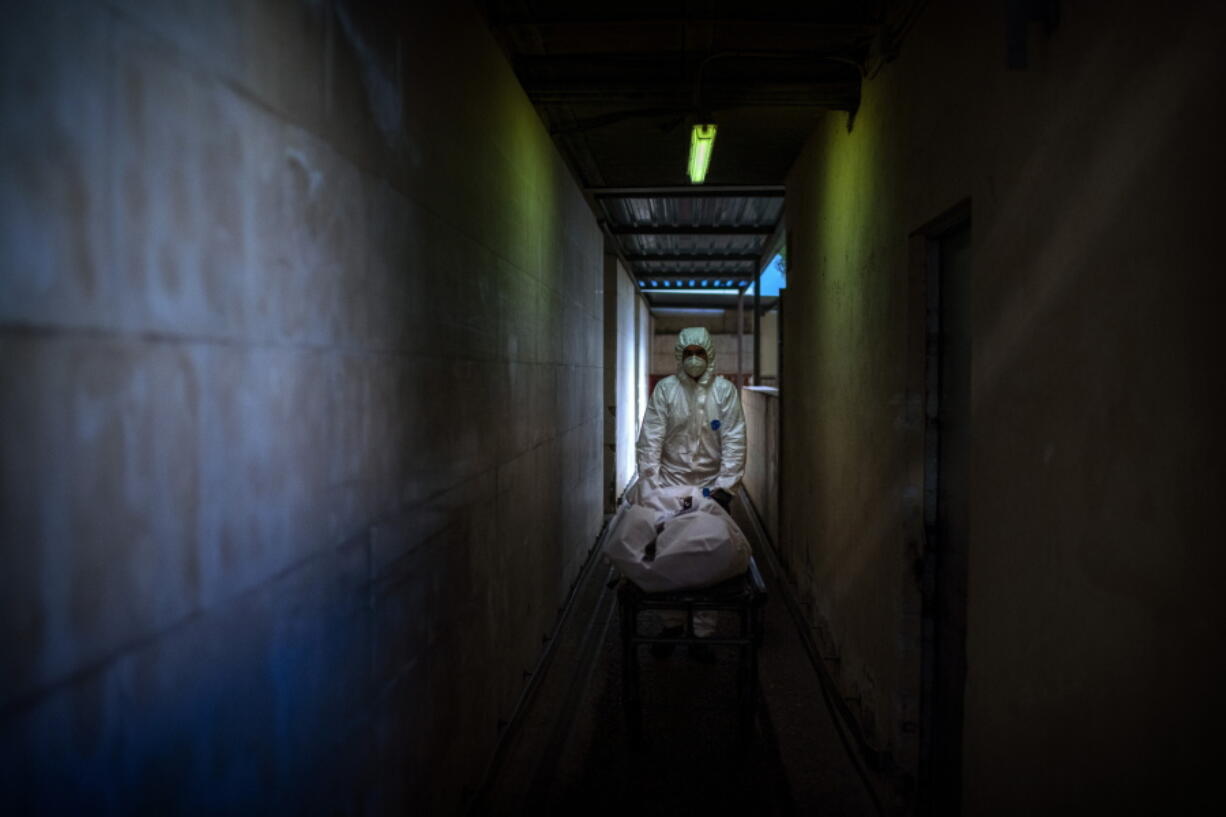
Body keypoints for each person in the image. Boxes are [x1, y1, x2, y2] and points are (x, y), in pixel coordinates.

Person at [634, 326, 747, 659]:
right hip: (670, 484)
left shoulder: (724, 392)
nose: (694, 359)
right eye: (689, 353)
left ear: (709, 355)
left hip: (710, 488)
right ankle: (672, 625)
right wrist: (651, 483)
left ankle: (702, 634)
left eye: (700, 353)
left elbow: (735, 439)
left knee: (708, 558)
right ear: (679, 356)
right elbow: (651, 437)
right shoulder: (666, 391)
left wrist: (727, 487)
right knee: (669, 553)